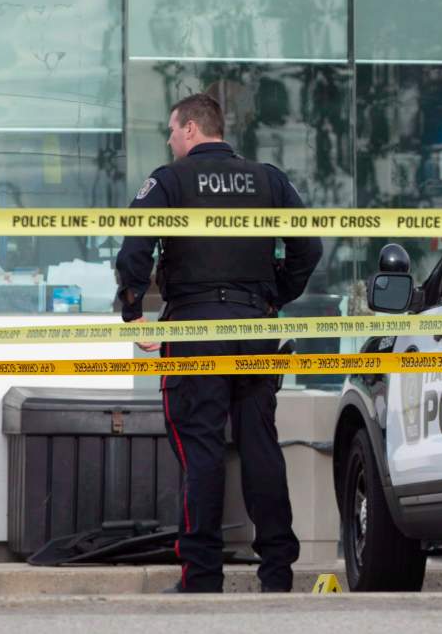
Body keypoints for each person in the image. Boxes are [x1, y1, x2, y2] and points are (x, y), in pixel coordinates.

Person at [115, 93, 323, 594]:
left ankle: (202, 578)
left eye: (171, 130)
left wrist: (134, 312)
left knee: (201, 449)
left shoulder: (171, 179)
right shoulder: (268, 178)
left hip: (195, 330)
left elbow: (134, 249)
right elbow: (309, 247)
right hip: (255, 329)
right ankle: (277, 575)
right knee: (261, 449)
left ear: (190, 129)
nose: (168, 140)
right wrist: (274, 296)